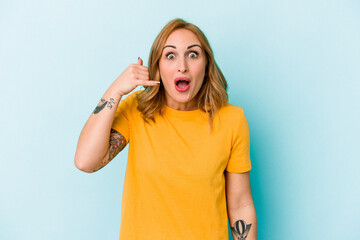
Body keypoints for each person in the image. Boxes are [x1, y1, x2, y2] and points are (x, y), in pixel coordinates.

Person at [74, 18, 257, 240]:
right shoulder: (137, 110)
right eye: (170, 55)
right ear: (157, 67)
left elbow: (240, 205)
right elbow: (85, 161)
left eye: (193, 54)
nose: (182, 66)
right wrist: (116, 90)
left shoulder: (232, 119)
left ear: (207, 65)